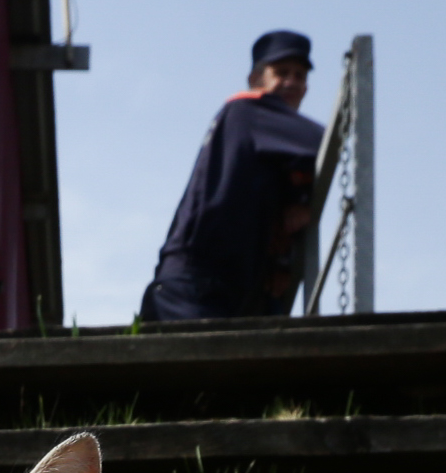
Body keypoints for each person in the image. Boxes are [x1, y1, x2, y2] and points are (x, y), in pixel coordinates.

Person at [136, 32, 325, 323]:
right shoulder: (249, 110)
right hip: (194, 285)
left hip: (217, 289)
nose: (292, 83)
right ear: (256, 79)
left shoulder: (270, 143)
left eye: (300, 76)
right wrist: (307, 200)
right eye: (282, 73)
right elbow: (323, 141)